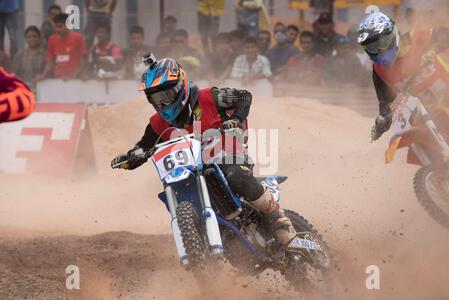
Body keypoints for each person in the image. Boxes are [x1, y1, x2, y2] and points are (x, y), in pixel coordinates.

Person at [111, 57, 297, 248]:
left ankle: (277, 217)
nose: (162, 103)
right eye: (155, 98)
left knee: (236, 175)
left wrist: (236, 119)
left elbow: (243, 96)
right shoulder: (157, 123)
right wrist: (131, 158)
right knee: (179, 191)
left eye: (166, 94)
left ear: (179, 86)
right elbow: (143, 146)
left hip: (228, 153)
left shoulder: (210, 97)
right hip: (191, 168)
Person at [357, 12, 449, 141]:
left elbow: (442, 33)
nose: (379, 51)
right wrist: (382, 122)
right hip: (425, 116)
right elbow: (386, 103)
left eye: (383, 42)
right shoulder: (379, 71)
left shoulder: (413, 39)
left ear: (393, 35)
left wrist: (438, 45)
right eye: (372, 47)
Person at [36, 13, 88, 81]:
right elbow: (50, 61)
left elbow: (84, 60)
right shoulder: (52, 39)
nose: (57, 29)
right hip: (59, 80)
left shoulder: (78, 38)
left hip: (75, 80)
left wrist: (74, 76)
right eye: (56, 26)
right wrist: (43, 75)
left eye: (60, 26)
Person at [13, 26, 46, 90]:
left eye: (34, 36)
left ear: (39, 38)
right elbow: (14, 74)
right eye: (29, 37)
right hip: (23, 89)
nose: (32, 39)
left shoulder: (45, 55)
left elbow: (48, 73)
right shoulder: (20, 55)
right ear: (26, 39)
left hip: (41, 89)